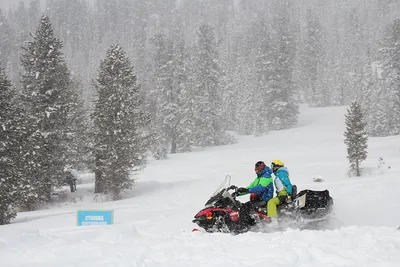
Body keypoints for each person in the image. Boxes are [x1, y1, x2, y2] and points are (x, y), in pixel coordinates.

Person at [236, 161, 274, 226]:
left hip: (265, 199)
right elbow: (251, 187)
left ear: (261, 169)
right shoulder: (259, 178)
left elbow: (260, 188)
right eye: (255, 169)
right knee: (243, 206)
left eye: (257, 169)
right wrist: (238, 193)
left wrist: (247, 190)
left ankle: (244, 226)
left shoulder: (266, 177)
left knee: (246, 207)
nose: (255, 170)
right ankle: (250, 222)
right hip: (258, 199)